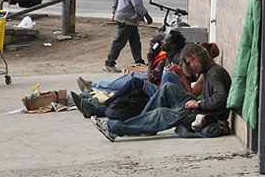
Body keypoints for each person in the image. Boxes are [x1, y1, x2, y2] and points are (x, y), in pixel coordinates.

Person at [93, 43, 231, 141]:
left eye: (193, 60)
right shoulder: (207, 72)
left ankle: (114, 128)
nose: (192, 65)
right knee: (167, 87)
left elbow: (220, 97)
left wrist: (199, 104)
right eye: (189, 62)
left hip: (207, 114)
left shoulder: (214, 73)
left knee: (162, 114)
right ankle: (141, 123)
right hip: (199, 106)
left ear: (202, 56)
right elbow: (192, 91)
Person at [85, 29, 186, 94]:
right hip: (154, 84)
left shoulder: (175, 59)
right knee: (125, 84)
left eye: (166, 41)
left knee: (131, 81)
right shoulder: (166, 55)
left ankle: (94, 86)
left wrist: (151, 61)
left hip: (156, 89)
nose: (163, 43)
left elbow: (152, 79)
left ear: (173, 46)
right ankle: (94, 88)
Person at [104, 0, 153, 73]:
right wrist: (146, 15)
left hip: (126, 17)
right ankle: (109, 63)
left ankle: (139, 62)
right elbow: (136, 2)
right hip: (127, 18)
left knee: (135, 41)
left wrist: (114, 11)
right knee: (119, 41)